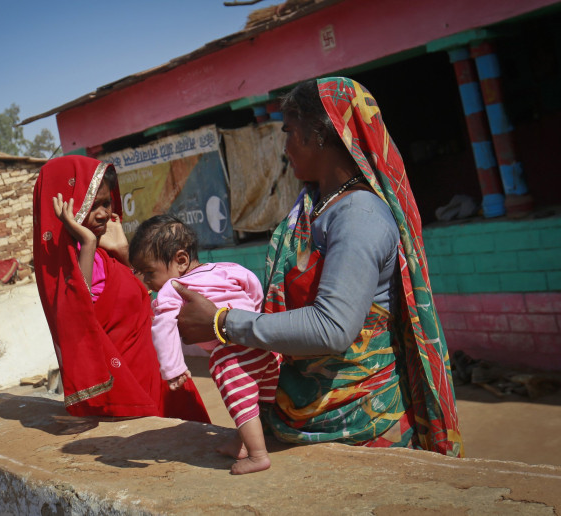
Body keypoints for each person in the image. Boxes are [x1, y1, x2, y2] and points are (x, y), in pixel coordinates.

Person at [174, 77, 464, 457]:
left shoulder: (358, 216)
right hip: (303, 415)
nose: (285, 146)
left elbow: (332, 328)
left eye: (290, 131)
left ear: (322, 133)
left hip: (359, 422)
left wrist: (221, 322)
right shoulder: (317, 208)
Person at [32, 155, 210, 423]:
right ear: (68, 207)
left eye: (106, 203)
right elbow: (78, 316)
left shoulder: (106, 253)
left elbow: (143, 291)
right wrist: (89, 243)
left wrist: (123, 250)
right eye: (92, 205)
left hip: (157, 372)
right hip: (129, 387)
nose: (103, 213)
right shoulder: (70, 271)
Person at [129, 215, 281, 474]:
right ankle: (241, 442)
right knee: (255, 402)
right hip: (262, 347)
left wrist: (173, 368)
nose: (146, 281)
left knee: (241, 401)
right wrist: (255, 324)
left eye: (149, 272)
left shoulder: (172, 287)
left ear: (180, 261)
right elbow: (254, 288)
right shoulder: (228, 268)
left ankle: (258, 455)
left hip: (231, 354)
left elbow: (163, 327)